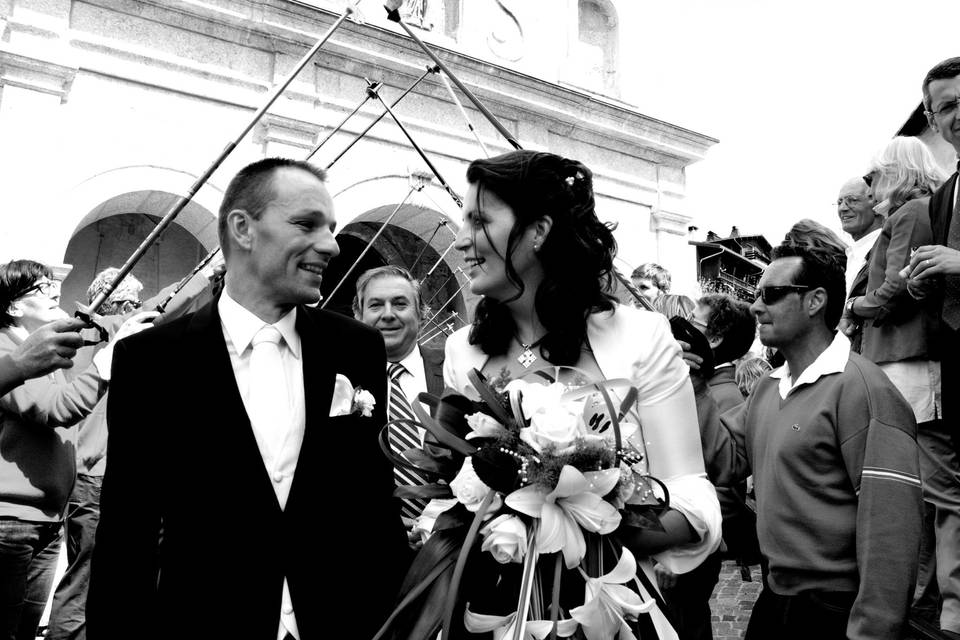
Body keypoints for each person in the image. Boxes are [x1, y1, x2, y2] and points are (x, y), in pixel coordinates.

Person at [86, 158, 408, 640]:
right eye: (306, 224)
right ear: (243, 228)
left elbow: (374, 509)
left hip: (341, 621)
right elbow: (126, 535)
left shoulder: (355, 348)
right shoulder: (151, 360)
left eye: (332, 228)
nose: (331, 245)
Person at [445, 150, 722, 636]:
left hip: (603, 610)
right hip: (491, 613)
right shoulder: (461, 353)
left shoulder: (641, 337)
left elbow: (693, 500)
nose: (462, 239)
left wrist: (586, 520)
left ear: (538, 230)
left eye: (479, 221)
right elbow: (451, 484)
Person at [698, 242, 922, 640]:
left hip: (833, 609)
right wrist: (695, 389)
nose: (755, 306)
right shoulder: (769, 387)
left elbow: (891, 530)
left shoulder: (865, 390)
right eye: (755, 295)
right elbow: (725, 459)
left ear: (816, 300)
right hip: (775, 600)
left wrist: (872, 630)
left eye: (771, 294)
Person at [47, 264, 214, 640]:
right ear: (116, 304)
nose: (134, 307)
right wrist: (205, 276)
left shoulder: (93, 336)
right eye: (129, 302)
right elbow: (159, 309)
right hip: (94, 474)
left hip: (97, 474)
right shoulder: (102, 335)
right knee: (85, 580)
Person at [0, 260, 152, 640]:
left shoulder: (41, 349)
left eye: (54, 284)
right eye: (41, 288)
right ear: (14, 306)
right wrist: (107, 362)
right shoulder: (8, 351)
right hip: (11, 522)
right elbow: (55, 408)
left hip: (45, 518)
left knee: (24, 629)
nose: (55, 291)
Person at [658, 293, 756, 640]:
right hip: (674, 534)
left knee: (685, 626)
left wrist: (679, 549)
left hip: (690, 543)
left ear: (711, 339)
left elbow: (724, 488)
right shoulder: (696, 385)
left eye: (690, 323)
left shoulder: (722, 395)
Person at [352, 265, 444, 534]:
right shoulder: (339, 380)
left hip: (452, 544)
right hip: (370, 543)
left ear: (422, 315)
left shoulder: (455, 369)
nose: (388, 314)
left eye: (400, 304)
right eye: (376, 305)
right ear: (358, 316)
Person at [907, 57, 960, 462]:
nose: (958, 113)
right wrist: (921, 279)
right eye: (947, 106)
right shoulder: (943, 196)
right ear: (932, 117)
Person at [835, 176, 882, 351]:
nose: (842, 208)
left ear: (876, 204)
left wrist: (851, 307)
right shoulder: (851, 254)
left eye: (852, 201)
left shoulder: (883, 248)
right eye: (839, 202)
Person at [0, 318, 86, 397]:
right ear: (14, 309)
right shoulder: (3, 347)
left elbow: (72, 379)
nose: (56, 299)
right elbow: (57, 404)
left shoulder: (46, 345)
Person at [631, 262, 695, 318]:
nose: (635, 293)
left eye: (643, 287)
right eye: (632, 288)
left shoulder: (680, 304)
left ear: (661, 290)